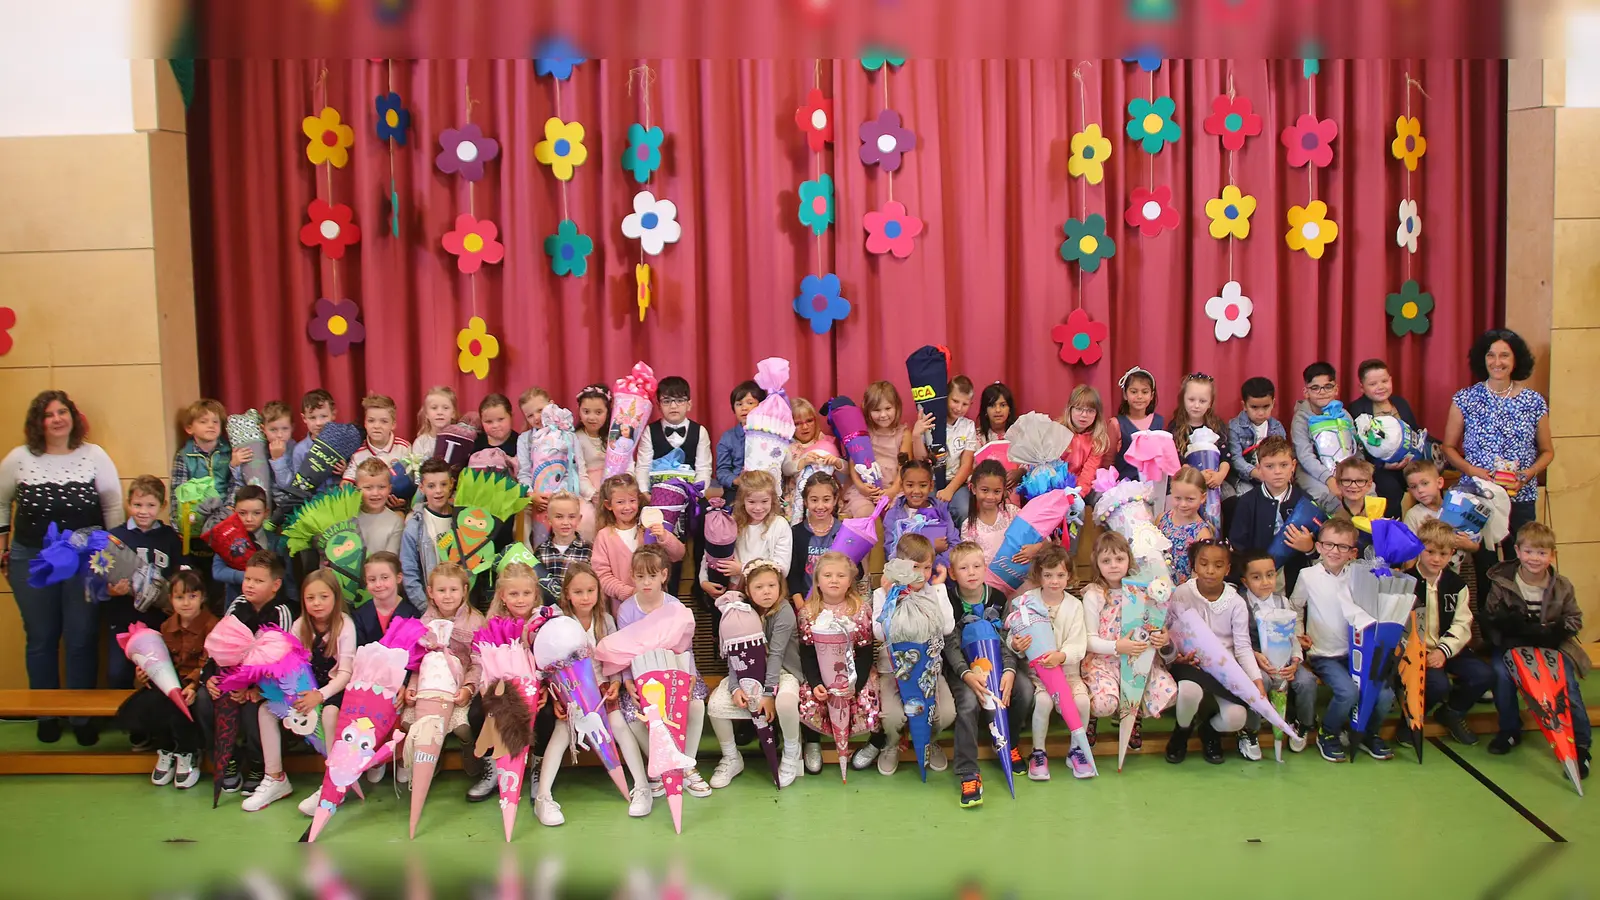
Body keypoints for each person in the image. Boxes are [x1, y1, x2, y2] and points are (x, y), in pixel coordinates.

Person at [0, 391, 123, 745]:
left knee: (82, 638)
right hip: (31, 559)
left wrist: (109, 558)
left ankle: (81, 716)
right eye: (49, 414)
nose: (57, 419)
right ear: (38, 422)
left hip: (85, 562)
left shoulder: (94, 456)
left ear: (74, 417)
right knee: (40, 638)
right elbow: (1, 503)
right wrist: (3, 550)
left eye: (63, 411)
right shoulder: (18, 458)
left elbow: (113, 507)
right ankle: (46, 713)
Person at [1441, 329, 1555, 601]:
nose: (1497, 362)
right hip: (1480, 497)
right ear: (1483, 359)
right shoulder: (1465, 398)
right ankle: (1492, 633)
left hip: (1521, 495)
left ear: (1516, 360)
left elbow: (1548, 451)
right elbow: (1448, 447)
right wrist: (1473, 471)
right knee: (1486, 565)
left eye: (1505, 355)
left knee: (1525, 559)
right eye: (1491, 355)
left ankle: (1522, 623)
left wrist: (1527, 475)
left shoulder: (1533, 401)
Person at [538, 562, 653, 817]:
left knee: (620, 727)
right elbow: (547, 663)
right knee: (561, 733)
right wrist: (557, 696)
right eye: (578, 592)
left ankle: (642, 787)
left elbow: (617, 658)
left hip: (601, 691)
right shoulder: (557, 622)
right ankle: (543, 797)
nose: (585, 597)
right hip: (571, 693)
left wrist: (615, 683)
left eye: (591, 590)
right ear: (567, 592)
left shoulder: (605, 621)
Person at [1481, 520, 1590, 776]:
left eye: (1542, 553)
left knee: (1568, 687)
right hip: (1513, 644)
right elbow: (1489, 616)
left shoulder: (1562, 585)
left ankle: (1581, 744)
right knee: (1500, 675)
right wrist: (1508, 629)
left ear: (1552, 555)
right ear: (1517, 551)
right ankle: (1509, 730)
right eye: (1529, 551)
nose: (1534, 558)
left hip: (1551, 646)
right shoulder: (1501, 581)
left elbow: (1575, 618)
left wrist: (1554, 631)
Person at [245, 569, 354, 812]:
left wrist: (321, 695)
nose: (317, 603)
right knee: (266, 711)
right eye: (310, 598)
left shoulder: (345, 625)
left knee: (328, 714)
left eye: (324, 597)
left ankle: (334, 782)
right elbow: (286, 662)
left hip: (332, 689)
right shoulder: (300, 625)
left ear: (335, 597)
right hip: (304, 689)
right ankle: (275, 778)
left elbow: (346, 673)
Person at [1290, 518, 1394, 762]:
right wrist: (1298, 633)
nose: (1334, 551)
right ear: (1318, 546)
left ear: (1353, 552)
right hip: (1323, 654)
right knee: (1347, 692)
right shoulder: (1307, 575)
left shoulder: (1361, 576)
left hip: (1357, 651)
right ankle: (1328, 732)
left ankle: (1367, 732)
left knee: (1383, 695)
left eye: (1342, 547)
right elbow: (1295, 606)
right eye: (1328, 545)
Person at [615, 545, 711, 798]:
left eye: (652, 576)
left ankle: (685, 764)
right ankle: (659, 766)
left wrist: (689, 677)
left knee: (696, 704)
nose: (646, 582)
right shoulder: (626, 610)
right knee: (633, 714)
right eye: (640, 576)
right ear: (632, 577)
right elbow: (625, 649)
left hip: (674, 671)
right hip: (642, 676)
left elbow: (685, 646)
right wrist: (627, 681)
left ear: (664, 575)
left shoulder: (675, 606)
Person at [862, 534, 956, 777]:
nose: (922, 574)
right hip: (893, 672)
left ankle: (929, 741)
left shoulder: (933, 591)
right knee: (892, 717)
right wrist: (889, 598)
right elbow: (880, 633)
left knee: (946, 713)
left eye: (927, 568)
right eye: (915, 567)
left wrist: (939, 589)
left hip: (928, 671)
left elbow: (946, 627)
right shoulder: (884, 594)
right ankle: (892, 745)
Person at [706, 559, 803, 788]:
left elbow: (777, 654)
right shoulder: (739, 610)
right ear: (747, 589)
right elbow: (734, 653)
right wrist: (735, 686)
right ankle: (731, 757)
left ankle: (791, 753)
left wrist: (769, 694)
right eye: (759, 587)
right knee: (716, 706)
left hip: (782, 672)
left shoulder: (784, 611)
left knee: (787, 703)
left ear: (780, 586)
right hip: (747, 672)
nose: (766, 591)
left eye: (771, 585)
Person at [1162, 541, 1261, 765]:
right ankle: (1182, 732)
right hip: (1190, 664)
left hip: (1224, 668)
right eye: (1204, 564)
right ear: (1194, 566)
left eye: (1218, 565)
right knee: (1188, 691)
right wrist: (1176, 656)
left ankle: (1209, 731)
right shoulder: (1182, 593)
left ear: (1227, 569)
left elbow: (1243, 646)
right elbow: (1167, 631)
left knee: (1236, 718)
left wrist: (1255, 679)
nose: (1210, 571)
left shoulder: (1235, 602)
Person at [116, 570, 216, 789]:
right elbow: (159, 660)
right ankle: (167, 749)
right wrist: (144, 673)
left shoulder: (212, 626)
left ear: (203, 597)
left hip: (198, 683)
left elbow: (209, 663)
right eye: (179, 597)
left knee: (186, 701)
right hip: (171, 680)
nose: (186, 603)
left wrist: (192, 684)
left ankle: (188, 752)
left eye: (192, 596)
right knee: (155, 699)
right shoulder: (166, 627)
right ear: (171, 599)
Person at [399, 560, 486, 804]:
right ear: (430, 593)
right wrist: (413, 686)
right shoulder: (424, 622)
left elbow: (478, 663)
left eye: (453, 590)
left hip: (459, 687)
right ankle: (429, 757)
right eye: (441, 590)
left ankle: (468, 749)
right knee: (409, 722)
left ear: (464, 591)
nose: (447, 596)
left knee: (462, 726)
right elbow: (418, 660)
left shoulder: (475, 622)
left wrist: (469, 688)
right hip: (429, 686)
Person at [1080, 531, 1176, 749]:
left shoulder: (1142, 591)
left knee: (1165, 690)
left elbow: (1154, 625)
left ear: (1129, 560)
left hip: (1137, 658)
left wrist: (1161, 637)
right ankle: (1092, 718)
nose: (1113, 565)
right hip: (1103, 660)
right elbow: (1089, 639)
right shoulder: (1093, 594)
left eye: (1119, 559)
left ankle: (1133, 718)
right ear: (1097, 563)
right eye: (1106, 560)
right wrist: (1116, 646)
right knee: (1104, 703)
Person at [1403, 520, 1494, 747]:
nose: (1436, 559)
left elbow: (1462, 623)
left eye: (1443, 553)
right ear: (1418, 549)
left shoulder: (1457, 585)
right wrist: (1416, 649)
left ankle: (1452, 711)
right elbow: (1397, 622)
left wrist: (1444, 651)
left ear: (1452, 553)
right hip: (1417, 650)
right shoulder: (1405, 582)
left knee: (1484, 675)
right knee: (1437, 684)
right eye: (1430, 552)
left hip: (1448, 649)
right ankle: (1412, 719)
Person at [1004, 544, 1086, 783]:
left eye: (1060, 575)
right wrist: (1016, 645)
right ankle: (1038, 752)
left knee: (1081, 700)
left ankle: (1076, 750)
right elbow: (1013, 634)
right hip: (1037, 674)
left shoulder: (1074, 606)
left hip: (1068, 672)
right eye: (1048, 575)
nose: (1054, 581)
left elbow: (1079, 643)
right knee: (1042, 700)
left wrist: (1061, 656)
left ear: (1069, 575)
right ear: (1038, 575)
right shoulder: (1025, 601)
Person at [466, 561, 547, 802]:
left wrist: (544, 691)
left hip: (537, 690)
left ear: (535, 594)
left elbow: (552, 663)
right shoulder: (492, 624)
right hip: (499, 691)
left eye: (526, 593)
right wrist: (484, 690)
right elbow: (480, 661)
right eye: (513, 594)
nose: (520, 600)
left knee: (546, 717)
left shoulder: (543, 621)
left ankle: (538, 770)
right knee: (477, 714)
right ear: (502, 595)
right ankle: (492, 768)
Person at [795, 551, 881, 775]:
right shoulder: (808, 612)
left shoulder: (860, 609)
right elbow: (807, 653)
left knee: (872, 697)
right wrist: (815, 682)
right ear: (818, 581)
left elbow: (865, 652)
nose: (834, 580)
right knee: (807, 696)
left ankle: (876, 743)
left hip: (854, 675)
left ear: (850, 580)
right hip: (821, 676)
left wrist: (855, 684)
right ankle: (812, 742)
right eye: (828, 575)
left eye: (841, 575)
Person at [217, 550, 293, 794]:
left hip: (267, 685)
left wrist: (255, 689)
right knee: (209, 702)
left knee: (254, 710)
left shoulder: (283, 611)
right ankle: (229, 757)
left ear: (275, 585)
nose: (249, 585)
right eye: (248, 579)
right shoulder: (237, 604)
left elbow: (279, 660)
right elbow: (223, 646)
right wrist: (225, 681)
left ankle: (257, 764)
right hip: (235, 679)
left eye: (258, 581)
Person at [104, 475, 183, 696]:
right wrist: (111, 591)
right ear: (128, 504)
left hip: (158, 622)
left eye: (150, 505)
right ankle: (126, 722)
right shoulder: (115, 537)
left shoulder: (170, 538)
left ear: (162, 506)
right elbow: (97, 581)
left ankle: (152, 725)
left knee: (158, 674)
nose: (143, 511)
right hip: (123, 619)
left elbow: (181, 575)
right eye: (137, 505)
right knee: (117, 673)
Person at [1238, 549, 1306, 758]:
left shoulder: (1283, 602)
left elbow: (1292, 637)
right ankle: (1250, 731)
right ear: (1245, 581)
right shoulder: (1240, 604)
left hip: (1285, 660)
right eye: (1256, 577)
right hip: (1256, 659)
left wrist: (1295, 661)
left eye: (1270, 575)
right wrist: (1254, 655)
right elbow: (1238, 639)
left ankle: (1302, 723)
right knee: (1262, 683)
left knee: (1306, 682)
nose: (1265, 582)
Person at [1228, 436, 1315, 594]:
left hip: (1294, 582)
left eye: (1284, 465)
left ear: (1293, 466)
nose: (1277, 472)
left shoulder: (1305, 502)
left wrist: (1309, 547)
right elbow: (1238, 547)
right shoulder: (1247, 502)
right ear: (1259, 468)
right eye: (1269, 466)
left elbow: (1318, 547)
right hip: (1256, 584)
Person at [593, 475, 685, 611]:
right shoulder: (604, 536)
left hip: (656, 607)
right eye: (620, 502)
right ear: (608, 505)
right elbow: (602, 575)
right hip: (623, 609)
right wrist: (629, 593)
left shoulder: (649, 528)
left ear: (639, 500)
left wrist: (664, 536)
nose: (627, 507)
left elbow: (678, 554)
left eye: (632, 501)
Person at [1344, 359, 1421, 515]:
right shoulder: (1358, 409)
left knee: (1427, 481)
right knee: (1389, 489)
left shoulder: (1400, 403)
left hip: (1410, 461)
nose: (1380, 387)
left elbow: (1416, 432)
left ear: (1391, 380)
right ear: (1362, 387)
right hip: (1380, 467)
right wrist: (1381, 465)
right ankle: (1392, 529)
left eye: (1384, 381)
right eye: (1373, 384)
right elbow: (1358, 449)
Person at [701, 470, 790, 598]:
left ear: (772, 500)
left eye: (764, 501)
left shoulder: (780, 525)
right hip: (732, 592)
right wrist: (703, 580)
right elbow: (710, 553)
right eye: (752, 502)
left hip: (765, 594)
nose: (758, 508)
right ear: (743, 500)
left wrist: (743, 569)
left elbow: (781, 568)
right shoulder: (731, 521)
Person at [170, 398, 236, 563]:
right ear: (189, 428)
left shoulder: (229, 452)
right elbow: (177, 491)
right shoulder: (184, 456)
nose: (211, 425)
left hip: (225, 517)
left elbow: (235, 482)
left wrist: (229, 507)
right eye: (203, 421)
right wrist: (177, 524)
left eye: (215, 421)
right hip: (196, 518)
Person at [908, 375, 978, 527]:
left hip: (956, 482)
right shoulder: (930, 421)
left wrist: (950, 490)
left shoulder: (968, 426)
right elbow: (921, 460)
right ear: (945, 397)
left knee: (963, 510)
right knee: (925, 512)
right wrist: (916, 435)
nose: (959, 408)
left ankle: (958, 547)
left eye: (965, 404)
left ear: (971, 404)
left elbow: (966, 465)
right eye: (955, 401)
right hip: (930, 480)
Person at [211, 486, 294, 608]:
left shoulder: (277, 542)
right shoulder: (227, 540)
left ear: (266, 513)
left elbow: (288, 579)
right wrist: (250, 577)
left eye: (256, 513)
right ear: (234, 512)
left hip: (272, 609)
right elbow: (218, 571)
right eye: (242, 513)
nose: (249, 519)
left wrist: (294, 606)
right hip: (236, 608)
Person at [959, 459, 1034, 590]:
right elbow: (969, 561)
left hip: (1022, 581)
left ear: (1004, 491)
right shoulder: (969, 526)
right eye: (985, 490)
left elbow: (1039, 537)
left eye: (996, 491)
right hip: (990, 587)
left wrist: (1035, 549)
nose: (990, 496)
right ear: (973, 488)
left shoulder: (1013, 513)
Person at [1169, 373, 1230, 532]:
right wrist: (1196, 476)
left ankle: (1223, 540)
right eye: (1191, 400)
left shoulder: (1217, 426)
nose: (1196, 405)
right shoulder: (1176, 428)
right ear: (1183, 399)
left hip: (1215, 480)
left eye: (1202, 401)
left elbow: (1226, 457)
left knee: (1232, 500)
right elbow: (1175, 462)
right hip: (1188, 481)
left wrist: (1220, 476)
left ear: (1210, 403)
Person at [633, 375, 713, 493]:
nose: (673, 406)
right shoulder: (650, 431)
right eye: (667, 401)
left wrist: (697, 493)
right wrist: (645, 492)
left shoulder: (700, 431)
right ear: (659, 406)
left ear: (689, 404)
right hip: (656, 494)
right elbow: (643, 467)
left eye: (680, 400)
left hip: (691, 495)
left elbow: (704, 468)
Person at [842, 381, 907, 517]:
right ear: (868, 410)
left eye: (888, 408)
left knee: (896, 515)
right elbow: (854, 462)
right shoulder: (863, 431)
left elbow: (905, 467)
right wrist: (861, 487)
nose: (883, 415)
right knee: (865, 512)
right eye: (877, 410)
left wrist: (893, 491)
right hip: (865, 490)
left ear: (897, 407)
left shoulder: (904, 434)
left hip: (894, 488)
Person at [1290, 362, 1349, 509]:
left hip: (1344, 469)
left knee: (1368, 490)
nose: (1322, 392)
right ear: (1306, 392)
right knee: (1328, 497)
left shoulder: (1343, 414)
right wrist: (1329, 479)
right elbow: (1305, 456)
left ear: (1336, 389)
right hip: (1310, 472)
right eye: (1315, 388)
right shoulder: (1301, 419)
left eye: (1328, 386)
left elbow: (1353, 447)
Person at [881, 458, 958, 570]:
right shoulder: (894, 515)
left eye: (922, 485)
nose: (916, 491)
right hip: (907, 577)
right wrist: (930, 548)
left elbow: (954, 544)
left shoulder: (941, 510)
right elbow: (891, 552)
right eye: (910, 485)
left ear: (931, 486)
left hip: (940, 574)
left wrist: (935, 565)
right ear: (902, 486)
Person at [400, 458, 456, 612]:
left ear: (452, 483)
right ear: (422, 488)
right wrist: (426, 608)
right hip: (430, 607)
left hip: (461, 607)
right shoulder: (414, 527)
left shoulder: (465, 519)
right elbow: (409, 573)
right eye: (431, 486)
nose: (438, 490)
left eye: (443, 484)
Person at [1402, 460, 1479, 571]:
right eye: (1413, 487)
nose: (1420, 490)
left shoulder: (1459, 509)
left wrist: (1468, 545)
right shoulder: (1414, 515)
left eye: (1424, 483)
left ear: (1439, 483)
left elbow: (1475, 545)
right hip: (1425, 577)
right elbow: (1409, 553)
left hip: (1450, 577)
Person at [782, 397, 845, 524]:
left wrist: (837, 462)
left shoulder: (828, 441)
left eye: (809, 421)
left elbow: (846, 475)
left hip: (827, 498)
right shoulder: (789, 446)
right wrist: (802, 462)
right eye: (798, 423)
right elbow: (786, 469)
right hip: (797, 500)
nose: (805, 427)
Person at [1227, 376, 1286, 498]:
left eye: (1266, 407)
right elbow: (1235, 459)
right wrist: (1256, 473)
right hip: (1244, 478)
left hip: (1271, 475)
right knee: (1248, 496)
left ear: (1273, 403)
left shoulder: (1277, 427)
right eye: (1254, 407)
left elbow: (1283, 455)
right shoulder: (1234, 427)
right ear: (1244, 406)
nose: (1260, 413)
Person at [788, 472, 842, 605]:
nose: (820, 506)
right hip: (806, 602)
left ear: (835, 500)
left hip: (838, 601)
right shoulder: (796, 533)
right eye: (814, 500)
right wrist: (801, 606)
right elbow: (793, 575)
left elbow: (853, 572)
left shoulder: (843, 531)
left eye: (826, 499)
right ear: (805, 502)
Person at [714, 380, 767, 506]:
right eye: (739, 404)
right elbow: (722, 471)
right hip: (737, 490)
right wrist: (736, 480)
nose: (744, 408)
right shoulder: (728, 437)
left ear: (762, 406)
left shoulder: (771, 434)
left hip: (766, 488)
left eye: (750, 403)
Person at [1157, 466, 1213, 584]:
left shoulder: (1202, 534)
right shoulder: (1162, 519)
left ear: (1202, 498)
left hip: (1182, 594)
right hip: (1156, 586)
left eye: (1190, 499)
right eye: (1178, 498)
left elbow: (1200, 573)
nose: (1183, 504)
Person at [343, 393, 412, 488]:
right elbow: (346, 483)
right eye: (371, 421)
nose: (376, 426)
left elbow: (414, 480)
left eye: (384, 421)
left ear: (393, 424)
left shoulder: (404, 448)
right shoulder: (358, 454)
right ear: (365, 423)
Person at [532, 491, 592, 600]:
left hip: (578, 610)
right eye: (559, 517)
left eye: (571, 517)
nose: (565, 522)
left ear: (579, 519)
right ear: (549, 519)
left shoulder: (589, 550)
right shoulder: (541, 551)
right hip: (549, 611)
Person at [353, 551, 419, 645]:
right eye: (372, 579)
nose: (378, 584)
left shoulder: (411, 614)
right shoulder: (359, 616)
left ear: (398, 578)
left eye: (384, 577)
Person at [1059, 384, 1115, 496]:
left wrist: (1078, 494)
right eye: (1079, 409)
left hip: (1083, 487)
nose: (1084, 415)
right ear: (1070, 410)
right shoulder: (1057, 432)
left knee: (1103, 495)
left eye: (1090, 411)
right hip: (1058, 485)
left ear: (1096, 414)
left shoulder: (1097, 439)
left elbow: (1089, 471)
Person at [573, 384, 612, 541]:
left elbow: (627, 464)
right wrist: (592, 495)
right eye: (586, 411)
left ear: (608, 413)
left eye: (598, 412)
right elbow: (579, 472)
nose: (592, 417)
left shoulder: (615, 435)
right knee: (587, 517)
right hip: (587, 489)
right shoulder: (576, 437)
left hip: (612, 485)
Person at [1112, 366, 1163, 482]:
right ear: (1125, 394)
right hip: (1125, 488)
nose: (1139, 396)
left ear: (1152, 395)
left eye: (1145, 392)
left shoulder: (1159, 422)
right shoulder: (1116, 424)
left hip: (1154, 487)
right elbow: (1108, 462)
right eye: (1134, 392)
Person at [289, 389, 342, 494]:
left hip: (340, 499)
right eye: (312, 417)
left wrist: (345, 471)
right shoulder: (300, 450)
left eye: (323, 416)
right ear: (304, 418)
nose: (318, 423)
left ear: (334, 414)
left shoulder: (343, 444)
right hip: (314, 502)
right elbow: (299, 485)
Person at [1327, 457, 1382, 554]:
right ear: (1338, 483)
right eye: (1347, 480)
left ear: (1369, 485)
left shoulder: (1376, 508)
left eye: (1360, 481)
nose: (1353, 486)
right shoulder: (1333, 510)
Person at [352, 458, 405, 556]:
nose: (375, 493)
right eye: (368, 487)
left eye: (381, 487)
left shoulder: (396, 522)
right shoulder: (348, 516)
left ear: (390, 489)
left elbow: (389, 560)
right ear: (357, 489)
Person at [410, 385, 459, 461]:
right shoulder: (421, 442)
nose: (440, 412)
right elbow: (416, 469)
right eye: (434, 408)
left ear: (453, 413)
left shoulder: (458, 440)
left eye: (445, 408)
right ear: (426, 414)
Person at [472, 393, 521, 457]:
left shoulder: (520, 443)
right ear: (481, 421)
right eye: (489, 421)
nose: (495, 425)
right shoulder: (476, 442)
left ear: (511, 416)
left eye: (500, 419)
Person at [262, 400, 296, 488]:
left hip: (286, 498)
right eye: (273, 430)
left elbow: (287, 484)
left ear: (292, 428)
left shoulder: (295, 450)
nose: (279, 435)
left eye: (285, 429)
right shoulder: (259, 448)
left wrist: (277, 458)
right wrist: (234, 465)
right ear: (263, 429)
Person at [976, 381, 1016, 447]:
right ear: (985, 410)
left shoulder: (1019, 433)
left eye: (1003, 405)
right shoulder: (977, 437)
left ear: (1010, 409)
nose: (998, 410)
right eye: (992, 406)